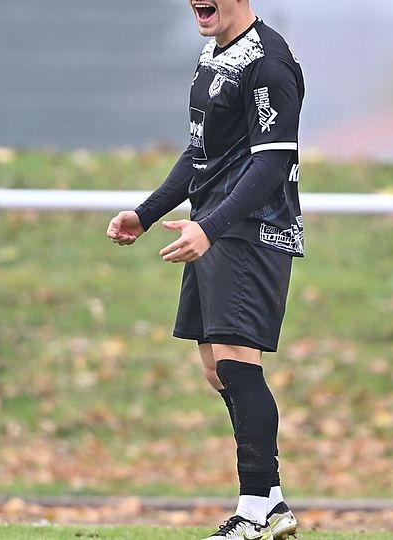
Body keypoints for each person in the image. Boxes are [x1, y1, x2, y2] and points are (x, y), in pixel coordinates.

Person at [106, 0, 304, 538]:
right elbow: (200, 154)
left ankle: (252, 511)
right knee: (217, 369)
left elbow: (272, 161)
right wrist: (146, 214)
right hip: (212, 228)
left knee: (237, 365)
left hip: (250, 230)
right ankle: (274, 502)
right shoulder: (213, 56)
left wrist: (210, 227)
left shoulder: (269, 62)